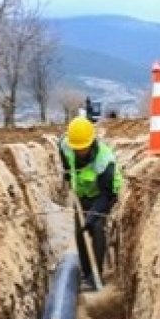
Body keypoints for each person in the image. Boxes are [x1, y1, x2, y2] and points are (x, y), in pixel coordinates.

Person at [60, 116, 123, 291]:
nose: (79, 152)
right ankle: (86, 274)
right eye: (76, 149)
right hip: (81, 194)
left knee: (96, 229)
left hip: (103, 195)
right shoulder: (66, 145)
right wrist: (67, 174)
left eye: (83, 148)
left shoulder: (104, 161)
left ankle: (97, 276)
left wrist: (92, 216)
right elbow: (64, 156)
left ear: (92, 142)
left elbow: (107, 194)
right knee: (80, 233)